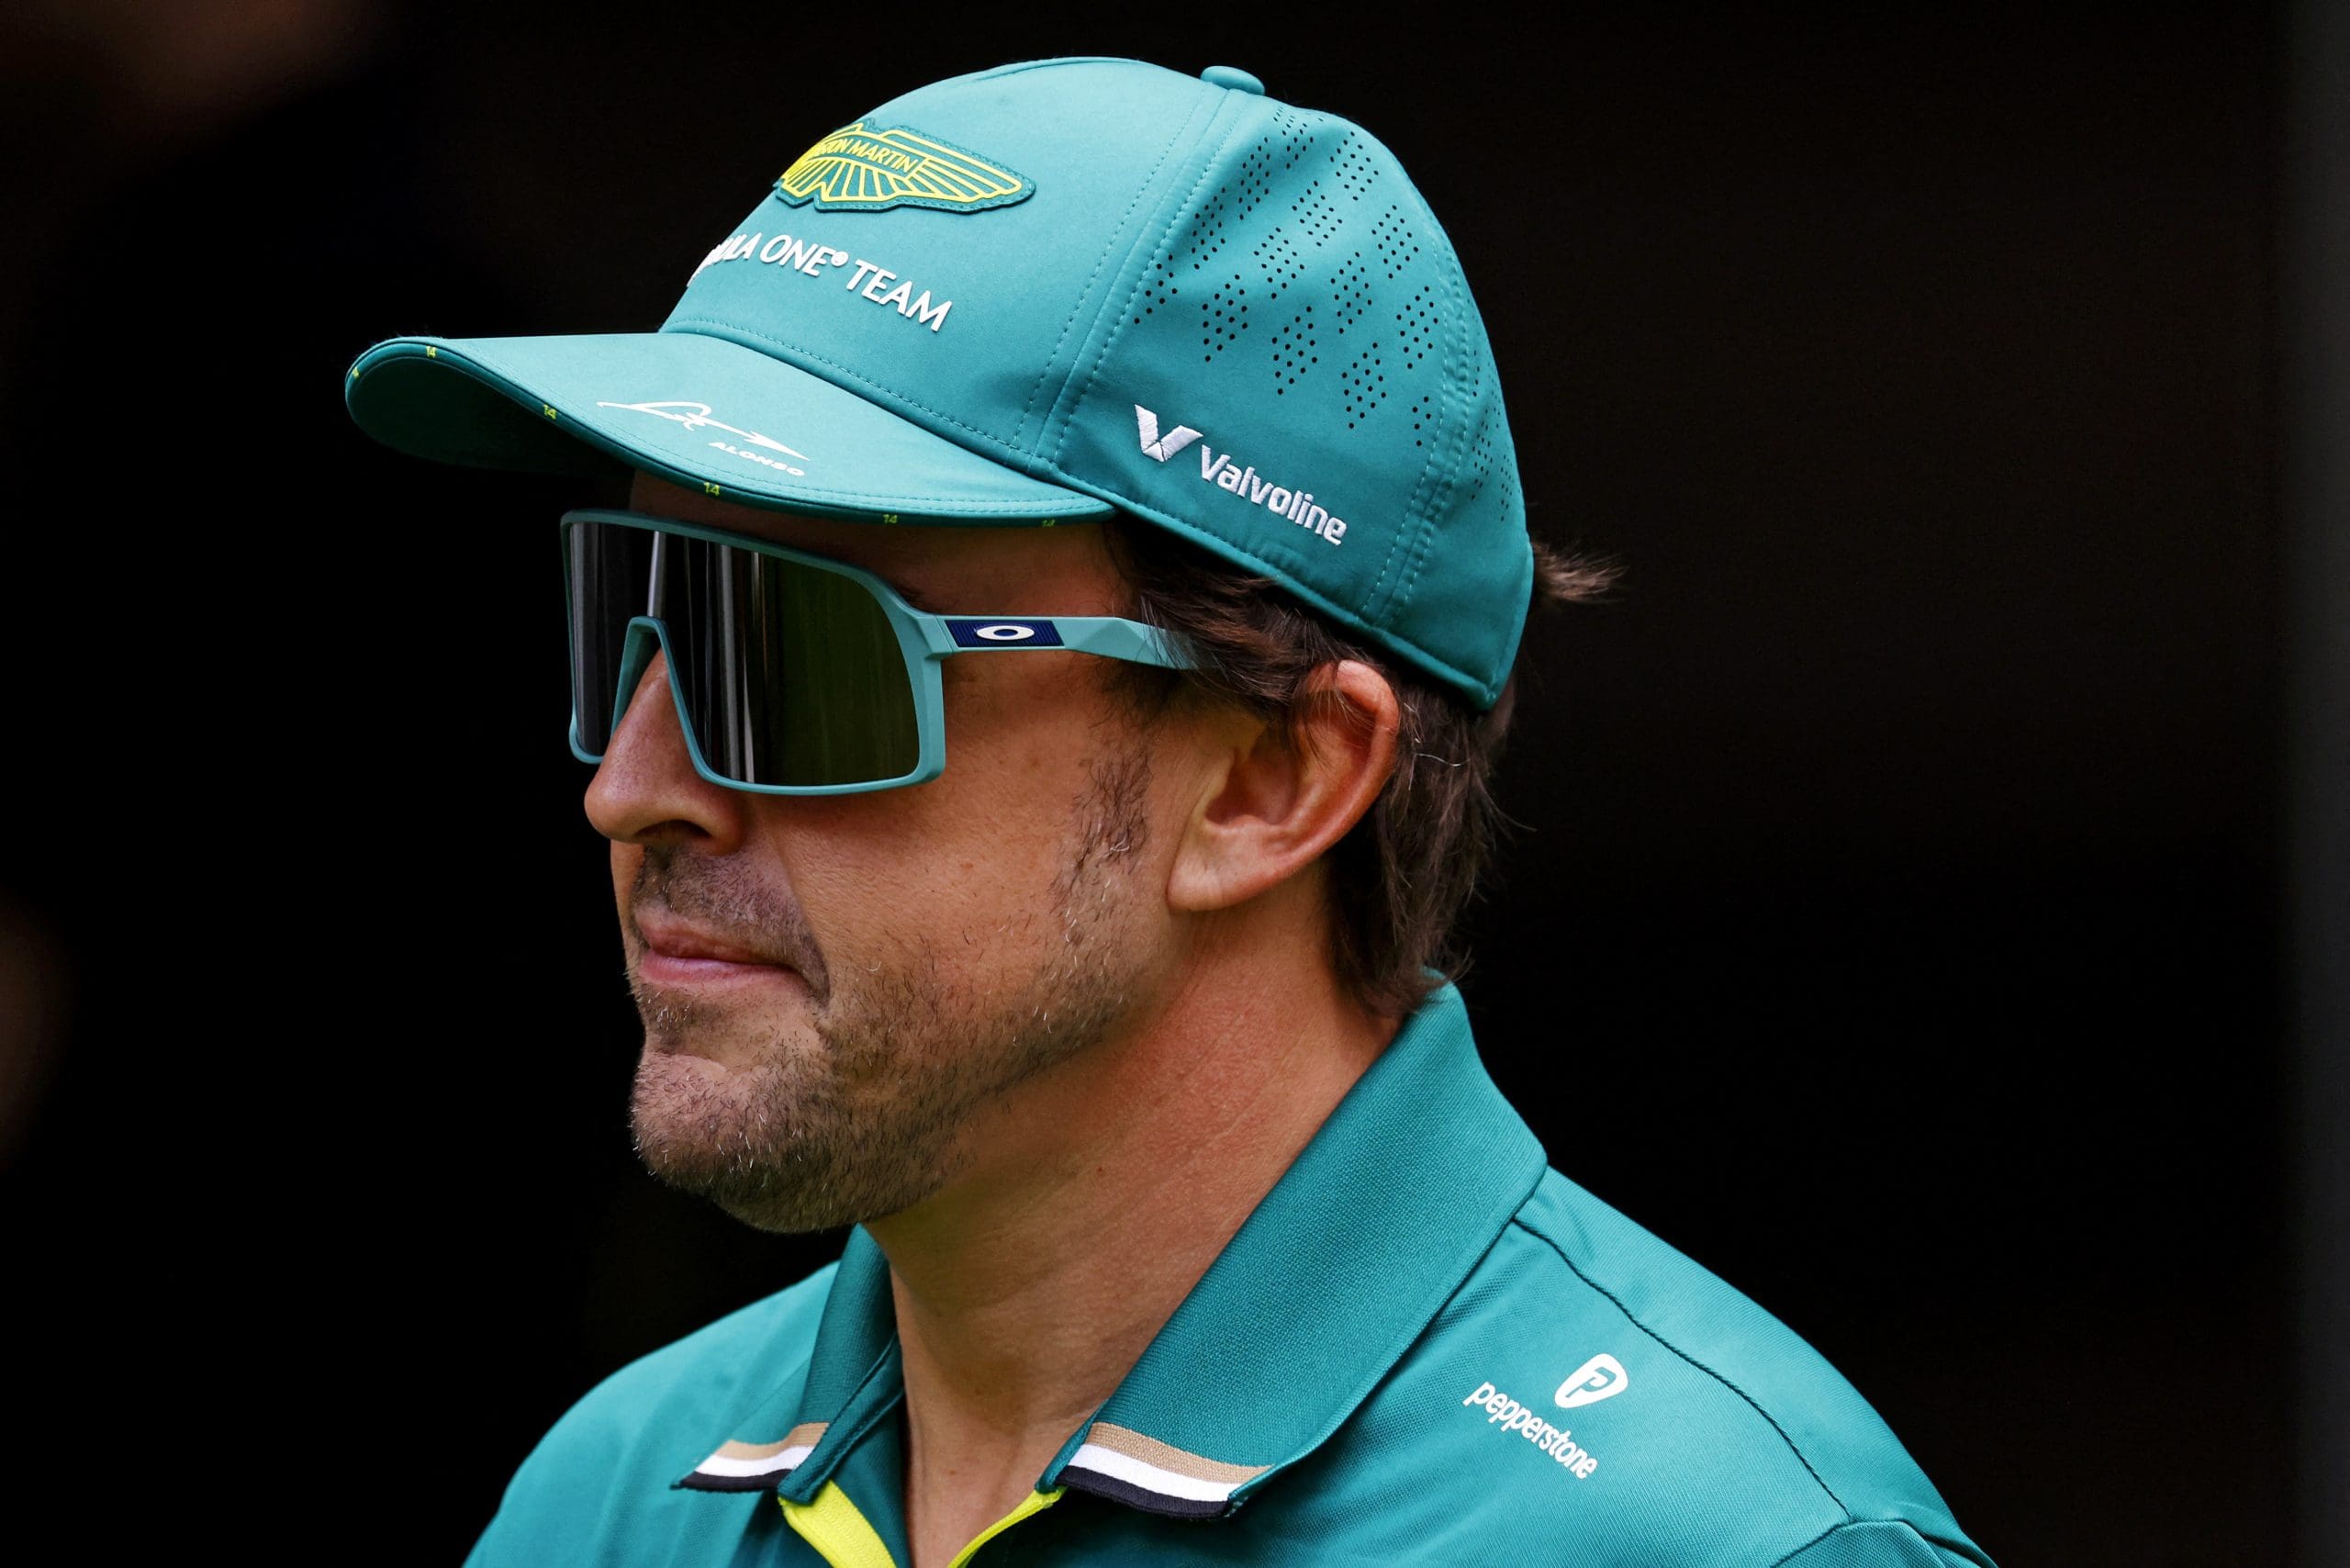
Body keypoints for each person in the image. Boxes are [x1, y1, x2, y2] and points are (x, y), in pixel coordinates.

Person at [346, 56, 1995, 1568]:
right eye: (629, 616)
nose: (630, 789)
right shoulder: (609, 1502)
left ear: (1275, 780)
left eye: (786, 658)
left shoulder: (1718, 1542)